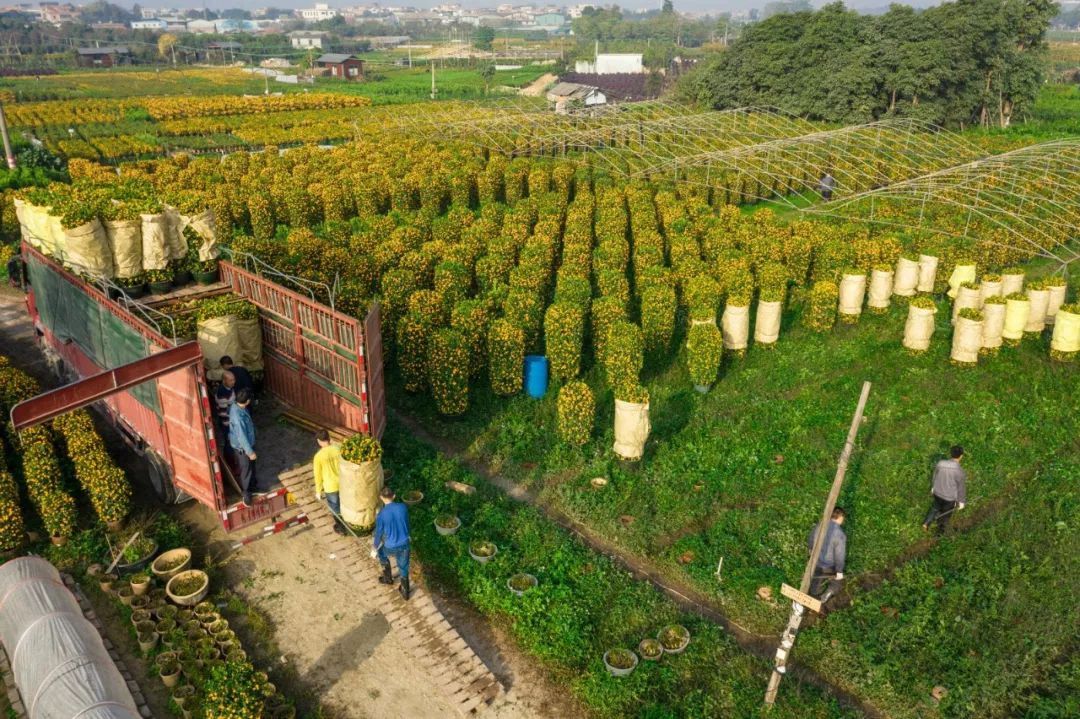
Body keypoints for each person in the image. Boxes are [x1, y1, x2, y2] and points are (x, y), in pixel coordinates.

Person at [372, 486, 411, 601]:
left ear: (381, 497)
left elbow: (379, 533)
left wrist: (374, 548)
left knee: (381, 553)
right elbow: (407, 523)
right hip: (405, 544)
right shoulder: (403, 507)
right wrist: (409, 535)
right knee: (403, 566)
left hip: (391, 546)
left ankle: (388, 578)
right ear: (394, 496)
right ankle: (405, 592)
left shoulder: (381, 515)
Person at [228, 388, 265, 507]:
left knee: (251, 467)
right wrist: (249, 452)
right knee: (246, 470)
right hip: (243, 448)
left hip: (248, 444)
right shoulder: (238, 417)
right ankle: (247, 494)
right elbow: (241, 436)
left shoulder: (239, 407)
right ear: (247, 401)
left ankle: (253, 487)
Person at [923, 445, 967, 533]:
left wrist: (933, 487)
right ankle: (940, 532)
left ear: (950, 453)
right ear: (961, 456)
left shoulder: (941, 463)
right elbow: (961, 488)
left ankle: (926, 523)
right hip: (949, 498)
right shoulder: (959, 470)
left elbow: (935, 476)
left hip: (937, 492)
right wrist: (961, 502)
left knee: (935, 507)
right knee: (946, 515)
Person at [807, 507, 847, 604]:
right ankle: (827, 594)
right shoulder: (840, 534)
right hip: (829, 565)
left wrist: (811, 551)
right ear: (840, 517)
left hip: (815, 561)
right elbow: (839, 555)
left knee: (816, 581)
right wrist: (839, 571)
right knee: (837, 582)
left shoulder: (819, 525)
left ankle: (814, 593)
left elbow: (811, 539)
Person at [313, 429, 346, 535]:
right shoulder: (339, 449)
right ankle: (349, 523)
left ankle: (341, 528)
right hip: (343, 483)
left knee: (335, 508)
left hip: (330, 487)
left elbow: (318, 476)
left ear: (319, 441)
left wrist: (318, 491)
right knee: (345, 505)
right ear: (329, 438)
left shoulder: (318, 456)